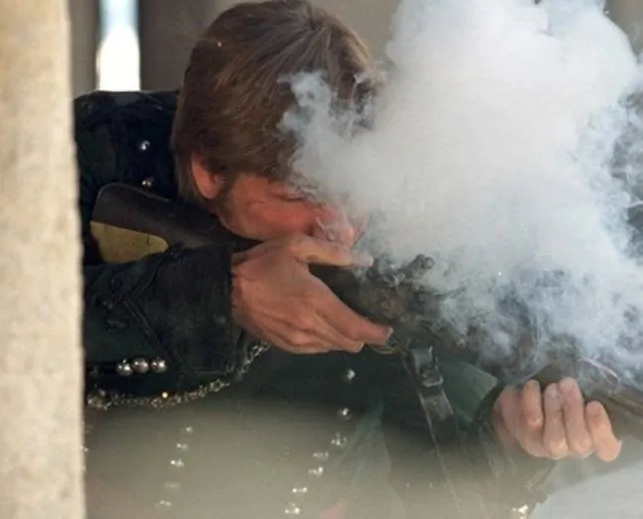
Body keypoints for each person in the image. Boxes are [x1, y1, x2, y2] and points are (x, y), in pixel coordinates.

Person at [76, 1, 622, 517]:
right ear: (209, 173)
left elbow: (442, 491)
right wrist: (220, 296)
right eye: (302, 196)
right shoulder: (104, 148)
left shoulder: (401, 230)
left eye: (348, 191)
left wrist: (512, 443)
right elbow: (32, 324)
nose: (337, 228)